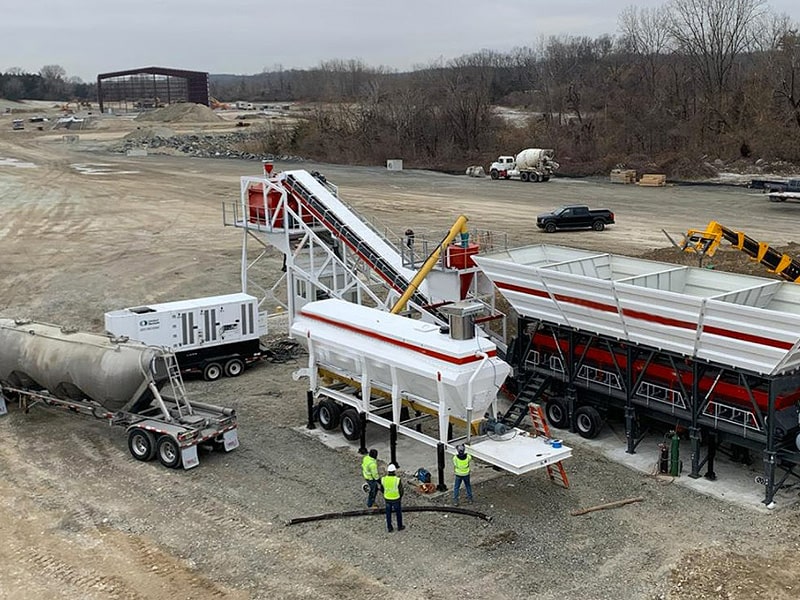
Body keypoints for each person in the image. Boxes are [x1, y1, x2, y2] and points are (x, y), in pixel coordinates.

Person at [381, 463, 404, 532]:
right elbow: (401, 491)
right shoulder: (397, 480)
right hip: (396, 499)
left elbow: (382, 489)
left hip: (387, 499)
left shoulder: (383, 479)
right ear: (394, 471)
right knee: (398, 513)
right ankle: (399, 526)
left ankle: (389, 528)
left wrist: (386, 494)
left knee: (388, 513)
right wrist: (400, 497)